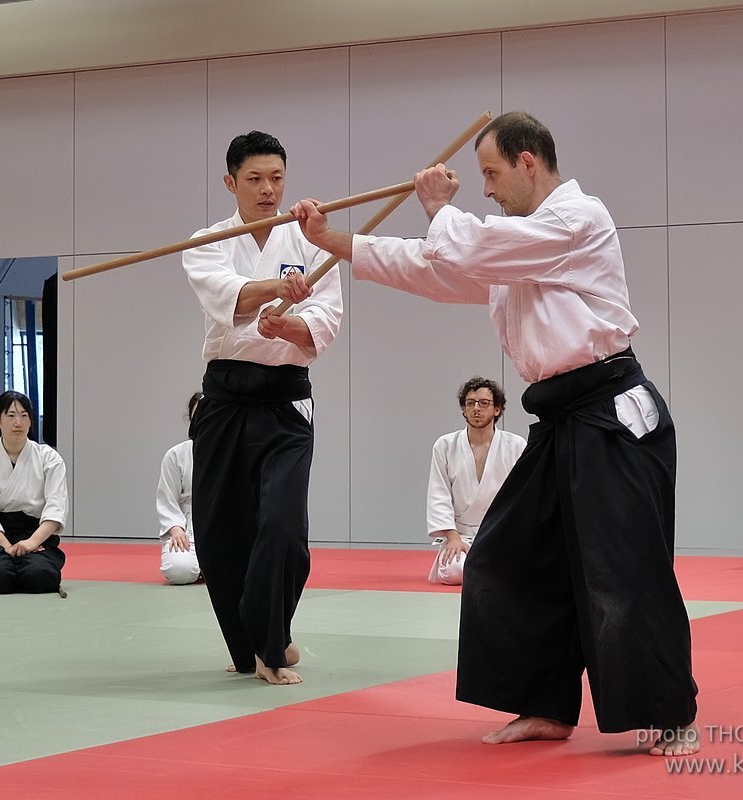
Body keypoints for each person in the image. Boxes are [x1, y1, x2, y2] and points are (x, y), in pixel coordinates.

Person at [292, 111, 699, 755]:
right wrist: (331, 240)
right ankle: (545, 704)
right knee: (504, 558)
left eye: (491, 172)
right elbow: (435, 269)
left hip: (610, 414)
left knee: (623, 569)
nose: (485, 188)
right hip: (559, 418)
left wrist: (436, 205)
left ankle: (670, 712)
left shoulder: (577, 219)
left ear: (528, 161)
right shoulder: (516, 242)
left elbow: (465, 246)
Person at [181, 130, 343, 685]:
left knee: (282, 525)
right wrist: (274, 290)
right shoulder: (206, 241)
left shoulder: (313, 238)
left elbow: (326, 322)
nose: (268, 189)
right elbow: (227, 296)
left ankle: (272, 643)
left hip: (285, 400)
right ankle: (247, 644)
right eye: (254, 179)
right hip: (225, 396)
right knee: (219, 526)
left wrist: (289, 324)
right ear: (231, 182)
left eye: (276, 178)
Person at [0, 390, 68, 595]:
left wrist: (32, 543)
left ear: (30, 421)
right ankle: (7, 566)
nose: (18, 422)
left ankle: (23, 566)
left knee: (39, 577)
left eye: (24, 415)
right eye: (10, 415)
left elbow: (56, 507)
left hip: (34, 533)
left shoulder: (49, 458)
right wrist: (7, 547)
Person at [427, 376, 525, 585]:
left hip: (501, 534)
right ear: (464, 409)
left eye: (484, 403)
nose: (476, 409)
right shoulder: (445, 445)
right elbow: (439, 494)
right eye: (470, 403)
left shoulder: (515, 445)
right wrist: (452, 537)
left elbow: (522, 497)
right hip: (461, 536)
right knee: (455, 572)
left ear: (497, 409)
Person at [157, 392, 202, 585]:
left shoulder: (237, 453)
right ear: (191, 418)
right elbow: (167, 499)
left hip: (226, 526)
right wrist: (176, 529)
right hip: (188, 527)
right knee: (179, 570)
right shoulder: (176, 455)